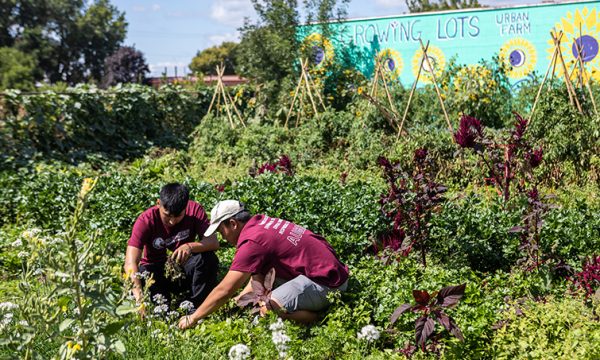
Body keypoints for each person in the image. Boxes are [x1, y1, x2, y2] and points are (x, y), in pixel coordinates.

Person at [178, 200, 349, 330]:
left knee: (267, 308)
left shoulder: (252, 241)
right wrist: (238, 303)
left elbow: (225, 289)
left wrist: (193, 318)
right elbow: (257, 280)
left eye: (221, 231)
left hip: (327, 283)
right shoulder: (260, 223)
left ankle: (316, 318)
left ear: (233, 224)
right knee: (259, 296)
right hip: (329, 271)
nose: (222, 237)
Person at [124, 183, 219, 309]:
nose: (172, 221)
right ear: (158, 203)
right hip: (156, 273)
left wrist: (189, 246)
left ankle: (197, 306)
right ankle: (163, 307)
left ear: (186, 207)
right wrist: (139, 298)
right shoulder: (146, 220)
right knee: (142, 273)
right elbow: (130, 263)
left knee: (208, 259)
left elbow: (213, 242)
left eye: (178, 216)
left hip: (183, 269)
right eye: (167, 215)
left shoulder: (194, 210)